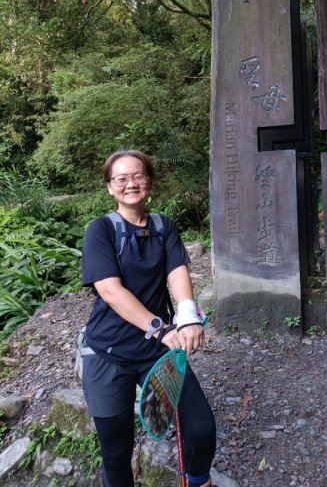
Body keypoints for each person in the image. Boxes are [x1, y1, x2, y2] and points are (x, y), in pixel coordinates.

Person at [80, 149, 216, 487]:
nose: (131, 184)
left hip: (157, 352)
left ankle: (199, 480)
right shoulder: (101, 230)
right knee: (116, 451)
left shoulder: (162, 226)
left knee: (201, 428)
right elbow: (110, 291)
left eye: (138, 176)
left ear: (149, 182)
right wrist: (160, 327)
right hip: (107, 354)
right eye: (121, 179)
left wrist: (186, 315)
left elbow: (177, 272)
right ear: (110, 187)